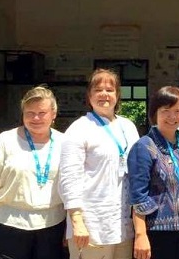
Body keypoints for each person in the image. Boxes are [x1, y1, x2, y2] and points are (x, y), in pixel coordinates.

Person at [0, 86, 66, 258]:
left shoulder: (65, 143)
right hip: (6, 226)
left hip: (51, 229)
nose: (36, 118)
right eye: (29, 113)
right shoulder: (6, 140)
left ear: (53, 114)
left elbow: (73, 188)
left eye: (42, 112)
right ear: (22, 114)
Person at [59, 68, 140, 259]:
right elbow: (69, 178)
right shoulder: (79, 128)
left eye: (110, 90)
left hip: (122, 225)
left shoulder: (128, 127)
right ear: (89, 96)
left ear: (118, 95)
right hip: (91, 224)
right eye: (98, 89)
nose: (104, 94)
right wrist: (77, 221)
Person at [128, 86, 179, 259]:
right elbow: (138, 195)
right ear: (155, 113)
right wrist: (140, 235)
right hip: (157, 233)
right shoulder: (144, 147)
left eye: (178, 111)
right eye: (165, 111)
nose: (172, 117)